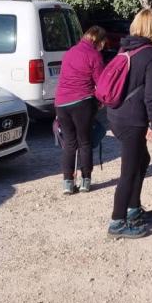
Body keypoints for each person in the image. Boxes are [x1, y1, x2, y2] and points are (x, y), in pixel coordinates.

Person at [106, 9, 152, 238]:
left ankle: (133, 210)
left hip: (117, 114)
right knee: (129, 170)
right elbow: (151, 93)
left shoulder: (125, 47)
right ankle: (117, 222)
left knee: (142, 159)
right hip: (133, 119)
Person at [55, 26, 107, 195]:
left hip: (61, 103)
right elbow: (101, 83)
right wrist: (102, 101)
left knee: (69, 143)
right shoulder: (94, 55)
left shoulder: (69, 52)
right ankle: (85, 180)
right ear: (98, 41)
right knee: (84, 141)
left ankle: (68, 183)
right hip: (82, 101)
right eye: (103, 43)